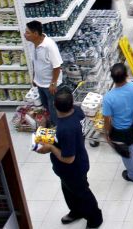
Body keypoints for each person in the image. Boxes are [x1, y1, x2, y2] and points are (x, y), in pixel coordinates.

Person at [35, 88, 103, 228]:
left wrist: (51, 148)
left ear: (54, 106)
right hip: (78, 160)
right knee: (69, 190)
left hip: (73, 168)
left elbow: (68, 159)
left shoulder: (66, 129)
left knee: (82, 192)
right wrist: (46, 125)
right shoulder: (77, 111)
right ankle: (76, 211)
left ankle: (95, 218)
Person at [24, 20, 62, 126]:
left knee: (53, 107)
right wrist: (34, 77)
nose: (25, 35)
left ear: (35, 34)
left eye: (27, 32)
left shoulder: (49, 46)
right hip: (40, 83)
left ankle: (56, 127)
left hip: (49, 85)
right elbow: (34, 62)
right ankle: (50, 122)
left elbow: (57, 66)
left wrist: (53, 83)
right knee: (45, 105)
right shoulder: (32, 44)